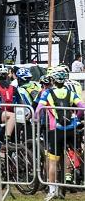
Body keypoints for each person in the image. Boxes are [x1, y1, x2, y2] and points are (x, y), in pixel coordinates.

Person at [35, 69, 85, 201]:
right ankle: (73, 175)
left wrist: (35, 119)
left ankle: (52, 190)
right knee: (75, 152)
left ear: (53, 81)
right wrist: (76, 118)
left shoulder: (47, 93)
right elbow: (82, 107)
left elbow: (38, 110)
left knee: (53, 161)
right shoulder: (70, 92)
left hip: (55, 130)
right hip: (71, 128)